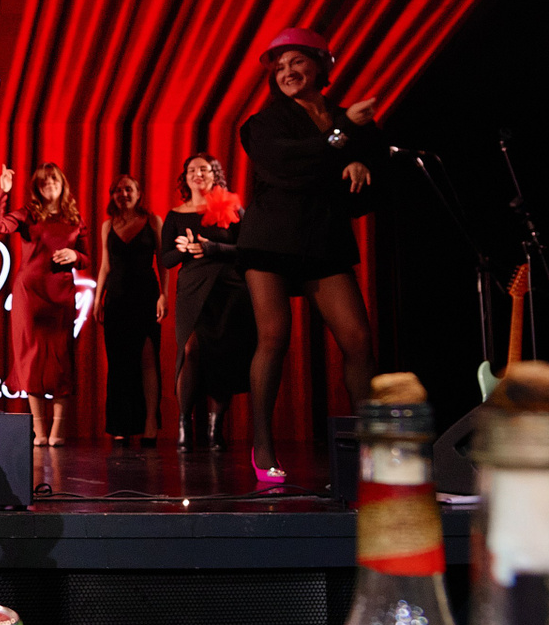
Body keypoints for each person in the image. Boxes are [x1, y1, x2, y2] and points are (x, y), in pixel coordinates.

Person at [234, 28, 381, 483]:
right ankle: (263, 445)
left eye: (296, 61)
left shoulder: (347, 119)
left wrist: (360, 165)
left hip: (323, 239)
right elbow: (288, 166)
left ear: (321, 64)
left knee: (358, 339)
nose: (287, 72)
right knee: (274, 336)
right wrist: (342, 138)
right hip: (271, 239)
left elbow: (374, 178)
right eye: (279, 67)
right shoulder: (264, 123)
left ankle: (371, 448)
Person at [158, 153, 255, 451]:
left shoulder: (231, 205)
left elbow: (246, 249)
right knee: (190, 349)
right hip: (192, 289)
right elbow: (165, 259)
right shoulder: (175, 215)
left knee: (223, 355)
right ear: (185, 177)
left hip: (229, 289)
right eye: (192, 170)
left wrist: (212, 247)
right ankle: (184, 423)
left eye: (204, 169)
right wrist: (186, 249)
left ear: (215, 175)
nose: (197, 174)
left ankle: (215, 427)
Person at [0, 163, 87, 446]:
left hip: (61, 296)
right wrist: (3, 193)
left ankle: (57, 432)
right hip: (30, 296)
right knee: (32, 360)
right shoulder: (27, 214)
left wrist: (75, 256)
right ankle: (39, 433)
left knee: (61, 361)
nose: (49, 185)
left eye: (54, 180)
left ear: (62, 184)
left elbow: (87, 258)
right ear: (37, 188)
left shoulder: (74, 218)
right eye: (44, 182)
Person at [91, 175, 164, 445]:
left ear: (139, 193)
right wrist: (98, 299)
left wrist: (165, 295)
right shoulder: (107, 225)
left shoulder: (153, 221)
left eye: (129, 189)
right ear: (113, 195)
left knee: (148, 359)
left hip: (146, 297)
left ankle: (150, 423)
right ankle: (120, 425)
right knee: (119, 364)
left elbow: (163, 261)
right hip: (117, 300)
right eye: (118, 190)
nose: (124, 194)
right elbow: (105, 266)